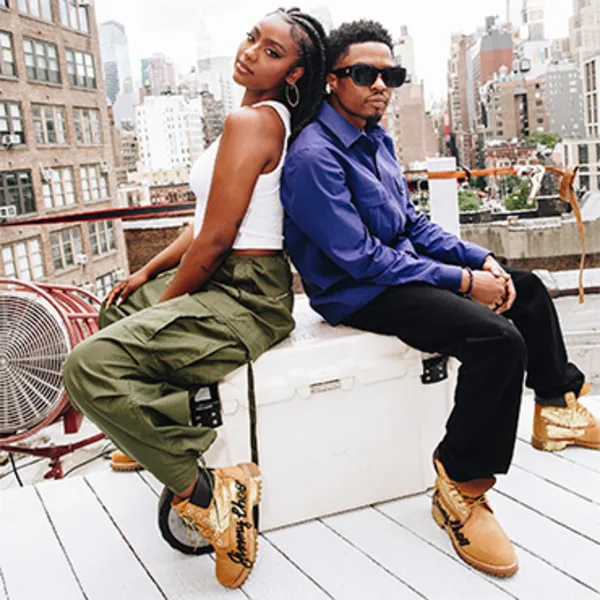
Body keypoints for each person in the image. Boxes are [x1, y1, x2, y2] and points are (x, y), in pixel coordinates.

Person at [280, 19, 600, 578]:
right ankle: (461, 484)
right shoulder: (314, 157)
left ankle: (556, 408)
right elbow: (360, 258)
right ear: (332, 79)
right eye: (365, 74)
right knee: (495, 340)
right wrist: (463, 282)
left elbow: (411, 225)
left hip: (396, 271)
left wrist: (478, 259)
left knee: (525, 289)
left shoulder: (375, 137)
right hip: (357, 292)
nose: (381, 86)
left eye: (392, 75)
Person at [63, 8, 327, 590]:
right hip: (228, 274)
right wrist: (148, 271)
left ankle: (211, 496)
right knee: (117, 306)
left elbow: (215, 241)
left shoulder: (253, 123)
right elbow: (203, 222)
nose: (251, 52)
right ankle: (149, 436)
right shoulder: (251, 119)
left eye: (272, 51)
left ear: (294, 73)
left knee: (88, 367)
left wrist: (166, 305)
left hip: (246, 295)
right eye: (252, 38)